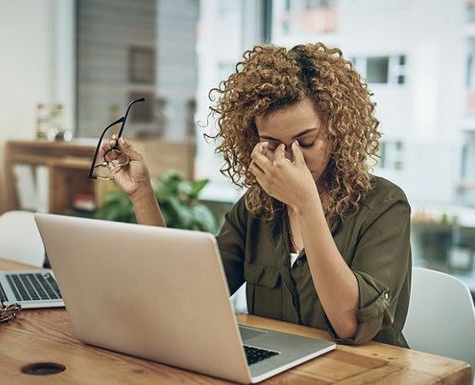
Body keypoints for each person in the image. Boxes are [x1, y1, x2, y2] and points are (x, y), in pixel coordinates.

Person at [100, 43, 411, 347]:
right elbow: (182, 294)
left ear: (336, 130)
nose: (289, 159)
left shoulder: (384, 206)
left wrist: (305, 204)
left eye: (306, 142)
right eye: (272, 144)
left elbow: (349, 325)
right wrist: (142, 194)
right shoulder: (257, 207)